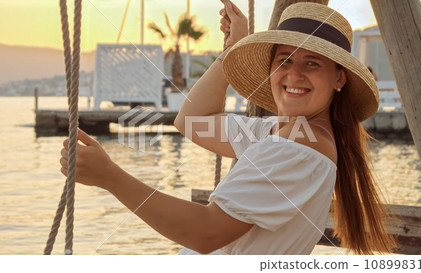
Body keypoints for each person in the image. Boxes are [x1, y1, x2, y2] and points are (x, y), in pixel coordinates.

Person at [60, 2, 395, 254]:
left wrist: (111, 178)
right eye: (284, 60)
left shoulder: (295, 149)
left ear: (339, 78)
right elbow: (192, 121)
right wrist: (231, 51)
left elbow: (205, 234)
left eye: (312, 63)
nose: (294, 75)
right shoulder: (283, 134)